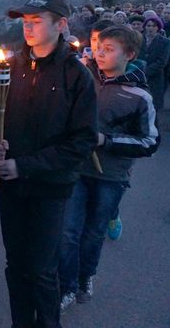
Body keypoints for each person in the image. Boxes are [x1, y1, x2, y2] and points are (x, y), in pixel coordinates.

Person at [0, 0, 98, 328]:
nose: (28, 27)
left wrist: (24, 165)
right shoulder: (9, 66)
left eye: (36, 20)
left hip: (50, 186)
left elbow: (82, 141)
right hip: (11, 186)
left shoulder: (76, 75)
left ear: (60, 24)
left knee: (42, 269)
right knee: (15, 265)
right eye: (25, 21)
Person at [58, 25, 159, 313]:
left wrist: (106, 140)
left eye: (109, 49)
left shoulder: (139, 95)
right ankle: (66, 285)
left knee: (93, 232)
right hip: (77, 170)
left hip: (110, 176)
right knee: (68, 231)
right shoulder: (84, 77)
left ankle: (85, 275)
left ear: (129, 55)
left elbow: (149, 142)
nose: (100, 54)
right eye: (99, 48)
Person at [139, 16, 170, 111]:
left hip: (156, 77)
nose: (151, 28)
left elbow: (162, 62)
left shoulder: (165, 42)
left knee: (154, 106)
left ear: (158, 27)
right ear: (145, 27)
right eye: (148, 26)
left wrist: (146, 71)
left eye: (154, 26)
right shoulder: (138, 39)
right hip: (138, 76)